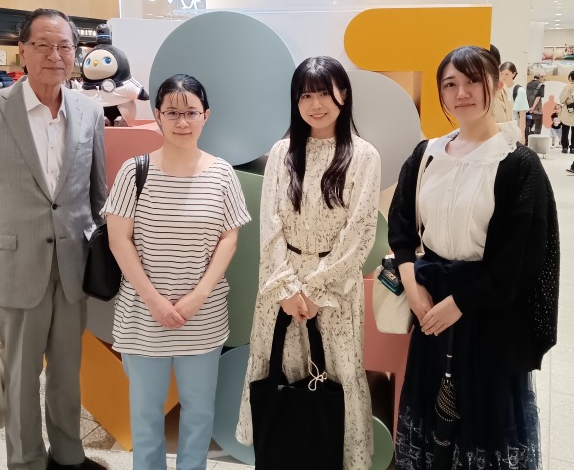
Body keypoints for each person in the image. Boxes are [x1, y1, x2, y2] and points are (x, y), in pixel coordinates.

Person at [388, 46, 559, 470]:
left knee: (484, 421)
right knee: (432, 415)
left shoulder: (517, 164)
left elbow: (521, 256)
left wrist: (460, 303)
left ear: (495, 85)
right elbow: (402, 225)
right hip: (430, 307)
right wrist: (411, 286)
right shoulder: (426, 153)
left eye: (471, 82)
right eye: (450, 84)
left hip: (489, 314)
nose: (461, 93)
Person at [0, 8, 108, 470]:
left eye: (64, 46)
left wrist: (106, 253)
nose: (54, 55)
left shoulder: (89, 110)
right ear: (23, 50)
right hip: (14, 265)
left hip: (73, 265)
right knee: (21, 376)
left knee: (67, 370)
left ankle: (68, 454)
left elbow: (97, 192)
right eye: (43, 45)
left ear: (75, 53)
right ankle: (25, 461)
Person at [236, 56, 381, 470]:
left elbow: (360, 233)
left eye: (323, 94)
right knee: (281, 377)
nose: (315, 104)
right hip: (280, 288)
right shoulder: (282, 152)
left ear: (343, 95)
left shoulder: (363, 155)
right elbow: (269, 226)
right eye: (305, 96)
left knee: (334, 376)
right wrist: (285, 289)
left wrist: (316, 291)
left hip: (334, 291)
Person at [105, 74, 250, 470]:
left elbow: (229, 239)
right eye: (172, 113)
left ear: (206, 115)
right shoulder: (134, 171)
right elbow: (119, 240)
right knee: (145, 416)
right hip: (142, 316)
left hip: (202, 316)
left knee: (199, 413)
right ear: (157, 115)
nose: (182, 122)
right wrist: (154, 300)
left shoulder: (222, 174)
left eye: (191, 113)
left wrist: (198, 297)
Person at [499, 61, 530, 139]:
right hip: (499, 131)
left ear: (514, 74)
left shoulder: (519, 90)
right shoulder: (497, 90)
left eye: (506, 74)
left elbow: (522, 115)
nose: (503, 77)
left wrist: (522, 135)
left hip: (513, 131)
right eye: (501, 73)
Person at [525, 73, 545, 143]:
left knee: (528, 126)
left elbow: (527, 96)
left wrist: (529, 108)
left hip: (528, 109)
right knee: (538, 127)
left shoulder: (528, 84)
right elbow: (538, 97)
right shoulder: (541, 85)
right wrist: (533, 107)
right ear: (540, 77)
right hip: (537, 110)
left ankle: (527, 142)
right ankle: (536, 143)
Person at [559, 70, 574, 153]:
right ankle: (573, 148)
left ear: (570, 78)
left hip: (567, 111)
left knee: (565, 130)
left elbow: (561, 100)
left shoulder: (567, 87)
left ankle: (565, 147)